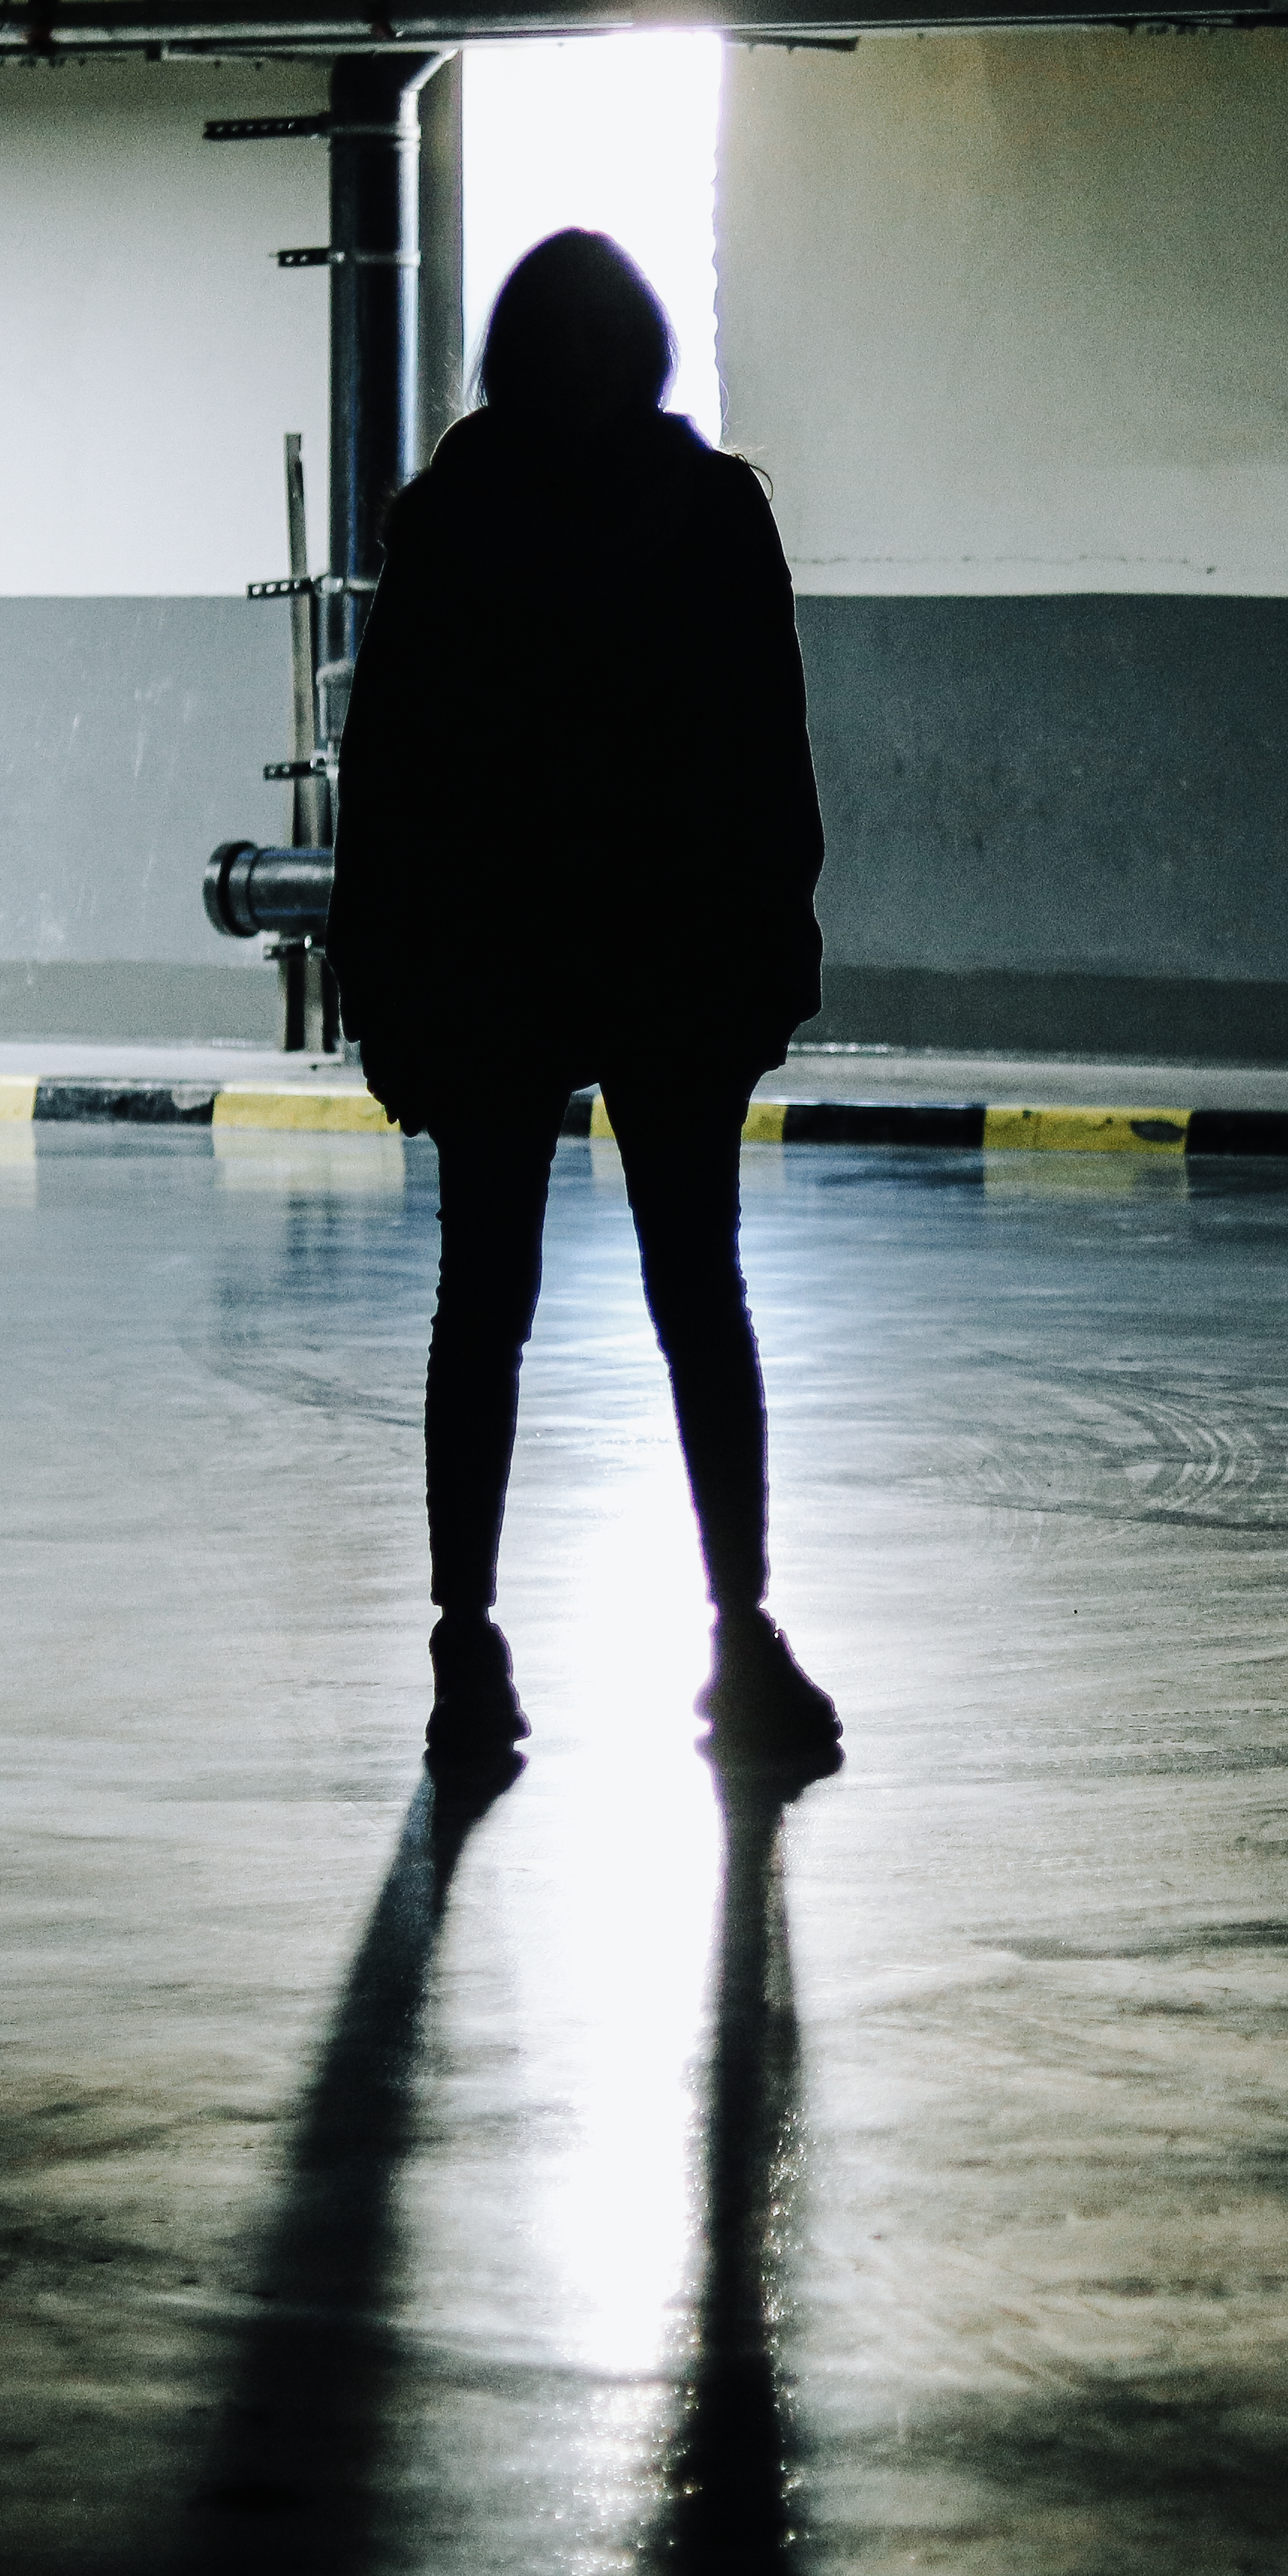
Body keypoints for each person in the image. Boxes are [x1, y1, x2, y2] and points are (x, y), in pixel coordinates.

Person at [326, 228, 839, 1774]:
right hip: (672, 956)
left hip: (495, 959)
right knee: (698, 1302)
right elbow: (768, 751)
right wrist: (776, 946)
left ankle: (465, 1647)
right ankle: (739, 1639)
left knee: (483, 1306)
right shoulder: (708, 510)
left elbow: (389, 774)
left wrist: (380, 979)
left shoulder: (448, 517)